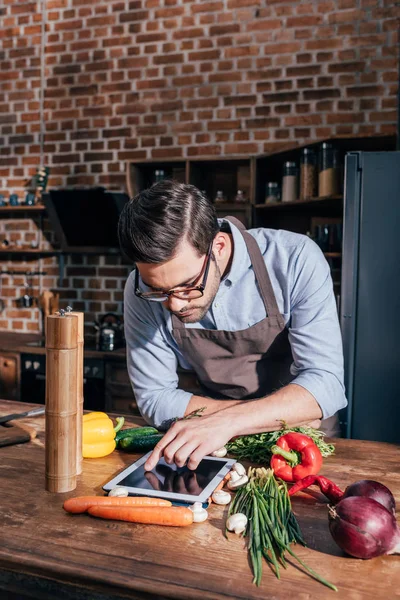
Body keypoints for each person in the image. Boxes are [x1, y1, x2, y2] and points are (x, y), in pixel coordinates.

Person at [118, 180, 347, 472]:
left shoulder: (295, 259)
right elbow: (155, 397)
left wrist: (228, 421)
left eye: (188, 286)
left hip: (305, 445)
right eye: (158, 290)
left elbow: (325, 383)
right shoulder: (138, 289)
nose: (174, 305)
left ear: (219, 247)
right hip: (214, 444)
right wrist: (282, 413)